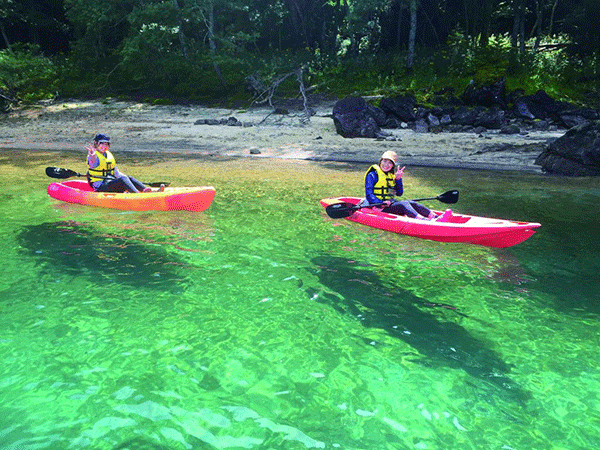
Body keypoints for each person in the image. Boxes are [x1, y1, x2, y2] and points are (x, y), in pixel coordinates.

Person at [362, 150, 452, 221]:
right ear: (381, 161)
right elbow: (369, 194)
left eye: (390, 163)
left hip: (387, 205)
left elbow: (399, 193)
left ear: (392, 165)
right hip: (375, 206)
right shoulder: (372, 175)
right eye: (385, 161)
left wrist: (398, 179)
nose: (386, 164)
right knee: (404, 204)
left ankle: (436, 217)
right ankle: (423, 220)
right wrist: (380, 203)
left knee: (411, 202)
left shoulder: (390, 176)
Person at [86, 134, 164, 193]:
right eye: (102, 144)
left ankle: (147, 191)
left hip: (109, 183)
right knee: (123, 179)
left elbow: (116, 173)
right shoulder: (93, 156)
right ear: (96, 144)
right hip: (100, 187)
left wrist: (127, 180)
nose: (104, 146)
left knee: (128, 178)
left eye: (106, 144)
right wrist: (92, 156)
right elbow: (92, 164)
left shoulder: (108, 155)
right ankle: (137, 195)